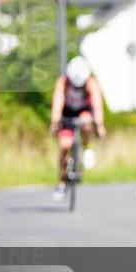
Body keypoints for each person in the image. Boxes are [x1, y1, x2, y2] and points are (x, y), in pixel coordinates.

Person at [49, 55, 106, 201]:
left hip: (83, 111)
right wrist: (55, 122)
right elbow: (58, 102)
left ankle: (87, 147)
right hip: (67, 112)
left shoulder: (91, 83)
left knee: (86, 122)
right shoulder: (63, 82)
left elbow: (97, 105)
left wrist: (99, 125)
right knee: (64, 146)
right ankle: (61, 183)